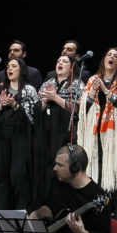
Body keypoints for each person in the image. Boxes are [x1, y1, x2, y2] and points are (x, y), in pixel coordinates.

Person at [77, 48, 117, 199]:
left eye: (116, 56)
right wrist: (91, 93)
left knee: (113, 170)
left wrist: (105, 90)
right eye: (109, 55)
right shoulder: (92, 80)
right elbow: (83, 107)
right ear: (104, 60)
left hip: (114, 132)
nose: (112, 57)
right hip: (94, 132)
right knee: (96, 166)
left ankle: (115, 209)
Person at [0, 57, 40, 210]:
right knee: (1, 177)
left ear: (21, 70)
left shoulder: (29, 90)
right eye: (8, 66)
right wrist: (0, 106)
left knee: (18, 176)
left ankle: (21, 211)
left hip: (21, 140)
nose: (9, 69)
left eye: (13, 66)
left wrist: (15, 105)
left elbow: (32, 119)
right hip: (1, 139)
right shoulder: (0, 90)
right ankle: (2, 212)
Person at [37, 55, 85, 205]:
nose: (60, 63)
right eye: (58, 61)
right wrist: (45, 101)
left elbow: (77, 109)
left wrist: (55, 97)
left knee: (64, 166)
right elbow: (38, 109)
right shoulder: (49, 82)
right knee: (47, 166)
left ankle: (64, 203)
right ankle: (47, 203)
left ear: (71, 67)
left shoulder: (77, 83)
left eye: (64, 61)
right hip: (47, 130)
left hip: (66, 130)